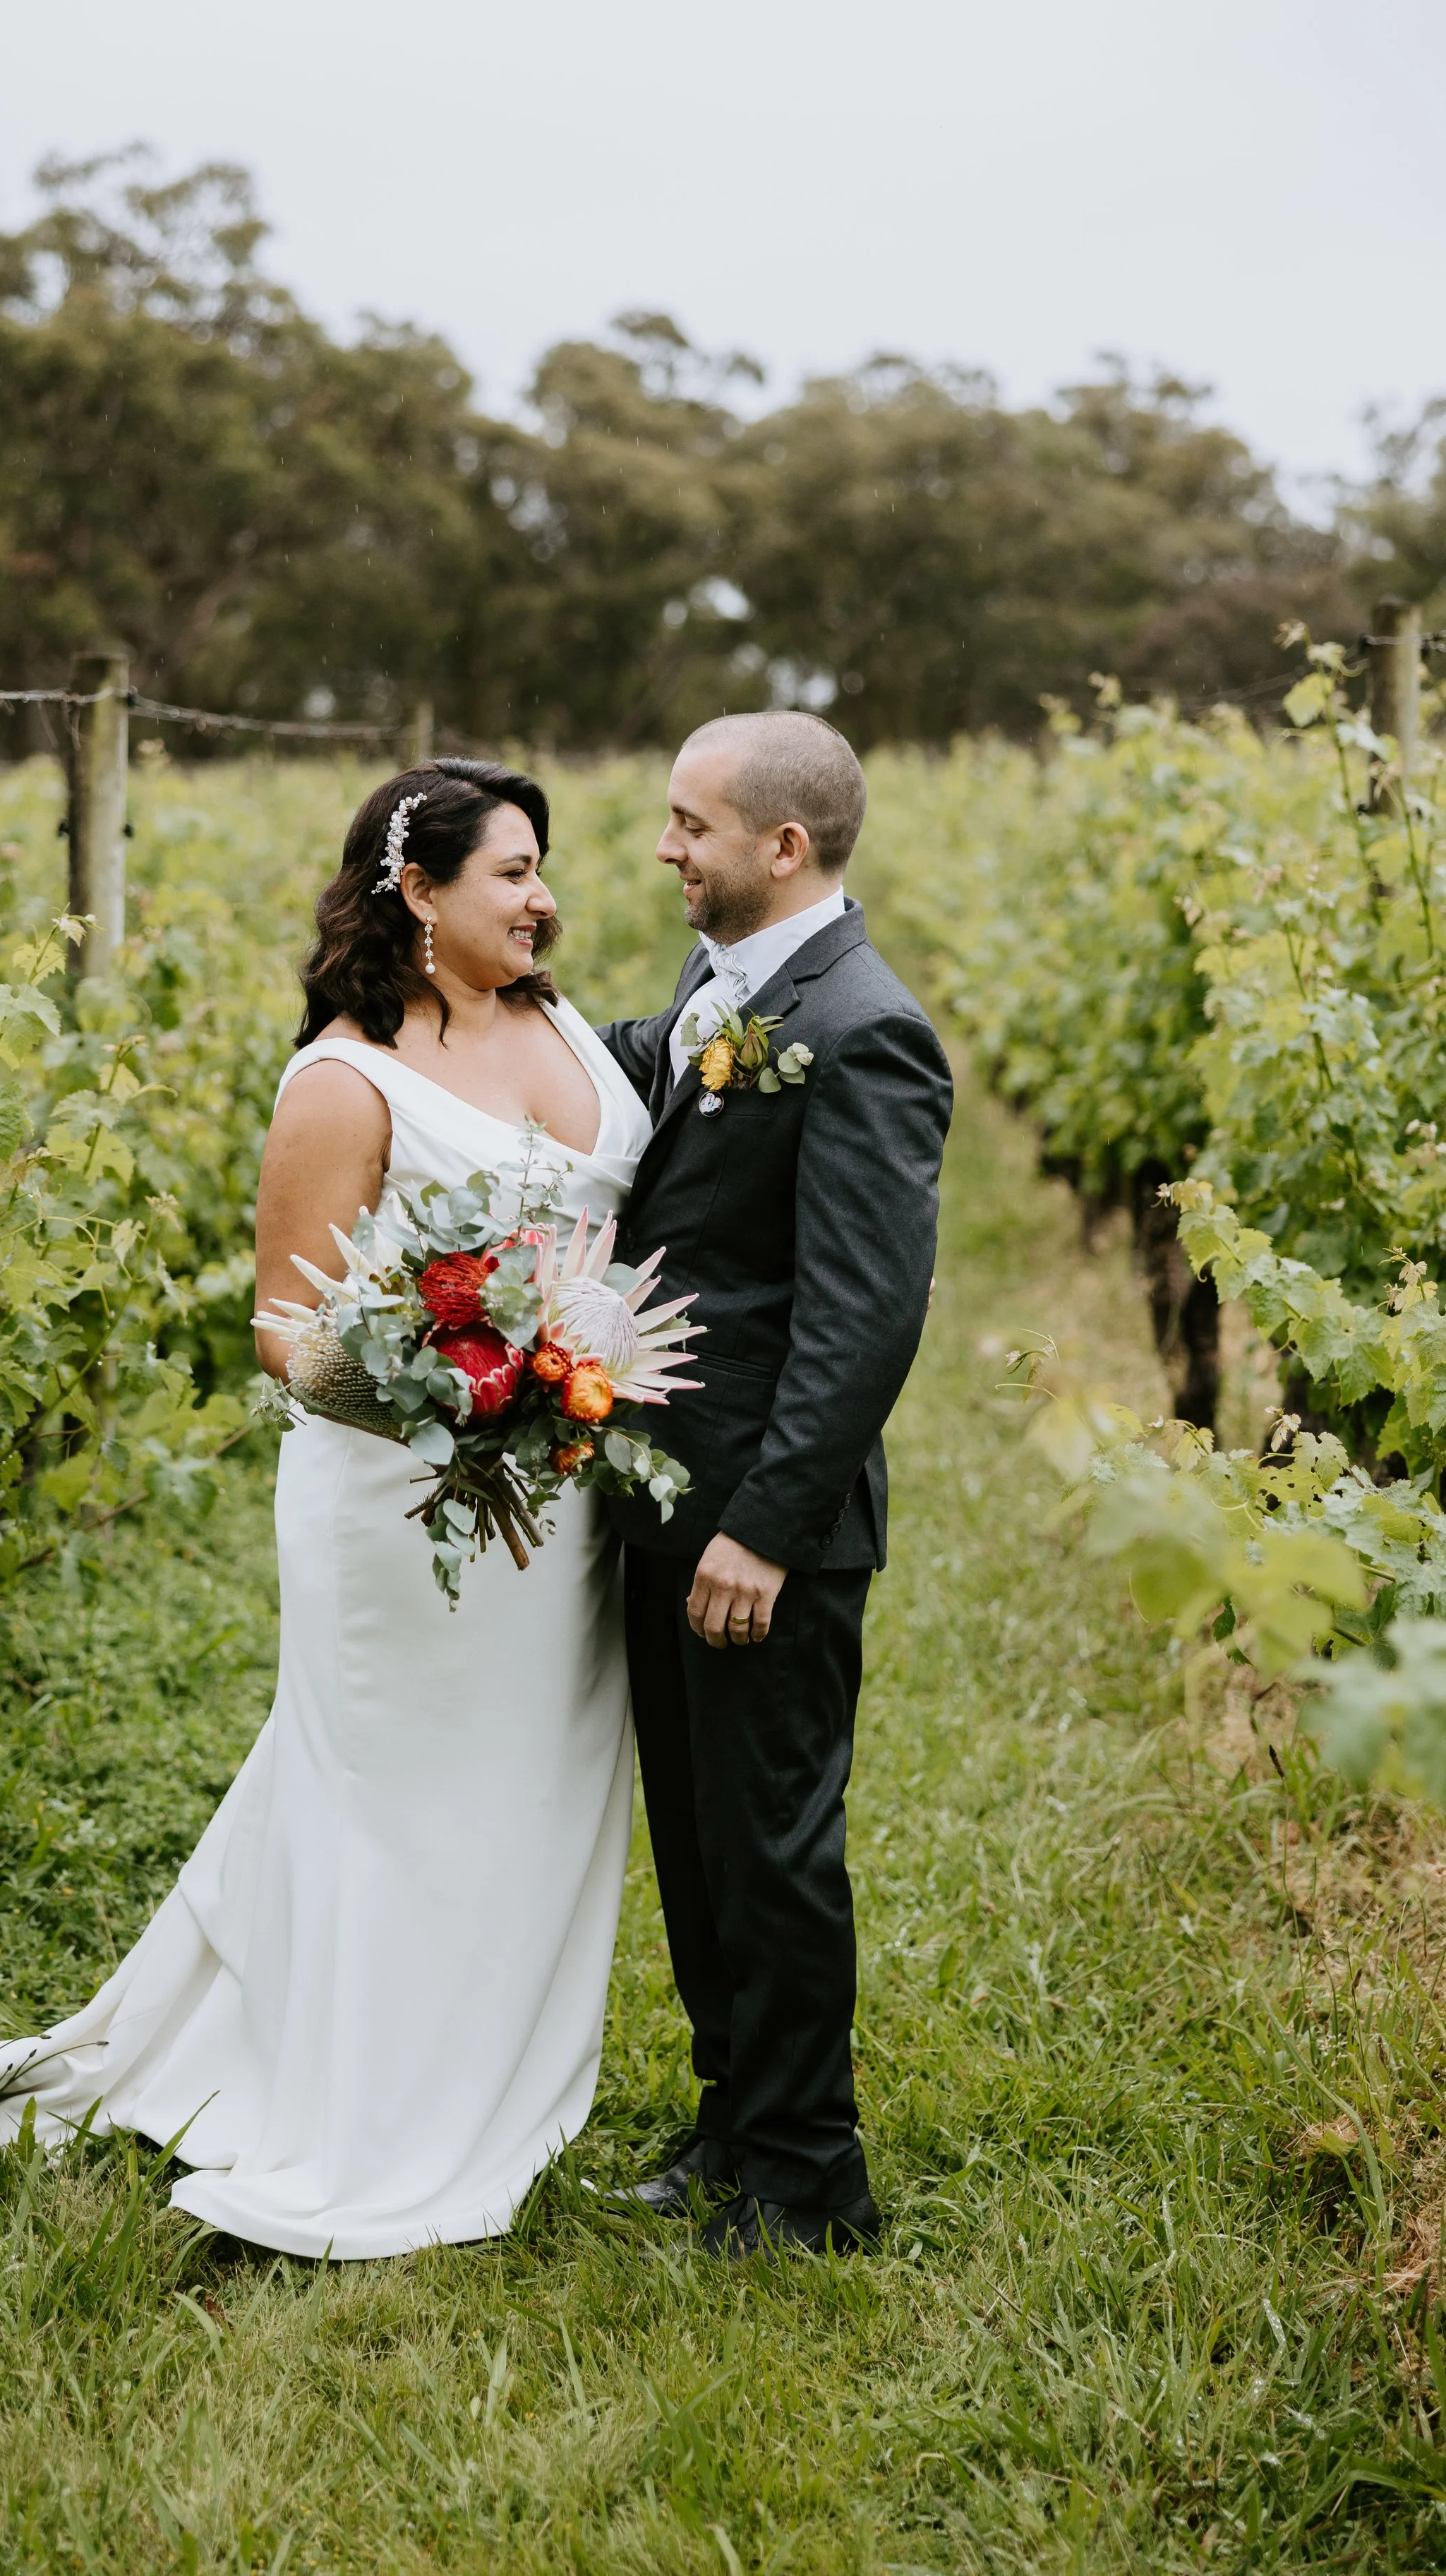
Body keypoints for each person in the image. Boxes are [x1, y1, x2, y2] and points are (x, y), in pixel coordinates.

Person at [0, 760, 653, 2258]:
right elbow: (282, 1329)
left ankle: (494, 2072)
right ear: (416, 890)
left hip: (558, 1504)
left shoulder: (560, 1020)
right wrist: (464, 1402)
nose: (542, 895)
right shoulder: (342, 1077)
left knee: (530, 1798)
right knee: (392, 1803)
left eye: (542, 865)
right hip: (406, 1504)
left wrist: (559, 1400)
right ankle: (364, 2104)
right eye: (510, 871)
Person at [599, 711, 951, 2259]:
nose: (666, 847)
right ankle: (731, 2114)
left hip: (762, 1512)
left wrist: (760, 1526)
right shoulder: (722, 980)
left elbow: (862, 1314)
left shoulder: (862, 1025)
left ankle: (807, 2177)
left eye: (690, 824)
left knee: (773, 1841)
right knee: (695, 1830)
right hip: (665, 1484)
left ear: (781, 847)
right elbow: (660, 1106)